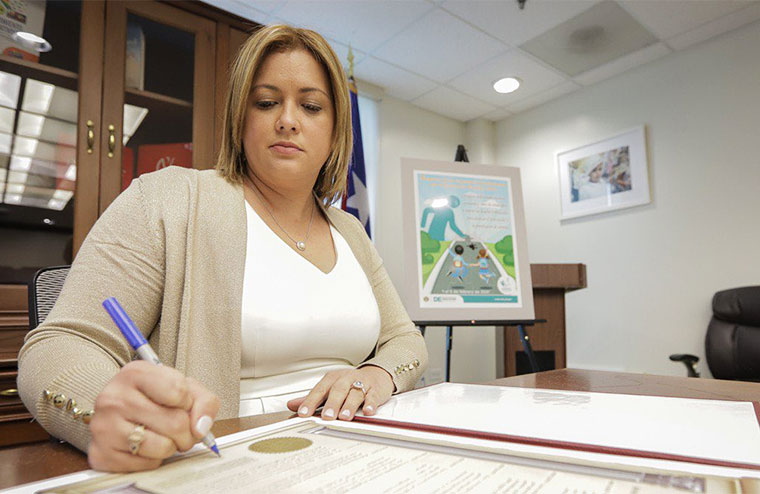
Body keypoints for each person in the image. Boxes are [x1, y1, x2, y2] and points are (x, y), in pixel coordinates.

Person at [17, 24, 427, 473]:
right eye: (267, 102)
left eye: (311, 106)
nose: (288, 119)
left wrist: (378, 375)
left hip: (359, 457)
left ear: (335, 131)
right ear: (240, 119)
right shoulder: (168, 200)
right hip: (222, 464)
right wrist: (102, 408)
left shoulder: (350, 230)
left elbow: (404, 338)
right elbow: (59, 344)